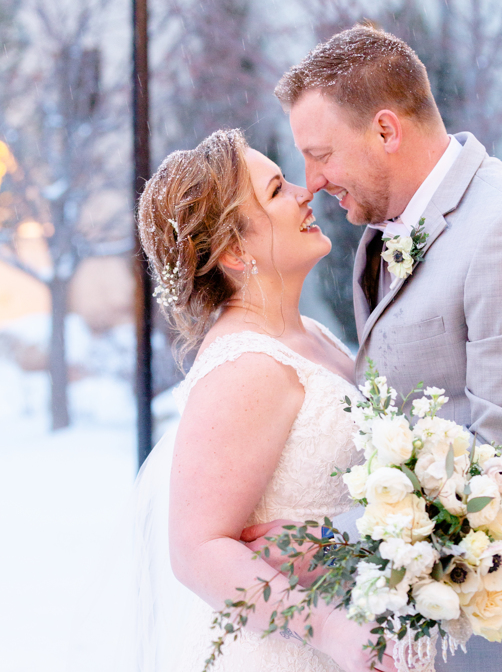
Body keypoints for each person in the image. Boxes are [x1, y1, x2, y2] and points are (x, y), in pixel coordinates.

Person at [243, 25, 502, 672]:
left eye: (320, 154)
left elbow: (501, 462)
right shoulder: (380, 235)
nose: (311, 181)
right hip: (430, 625)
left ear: (386, 130)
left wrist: (328, 542)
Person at [131, 128, 396, 672]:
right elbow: (196, 549)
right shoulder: (246, 366)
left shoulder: (312, 336)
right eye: (277, 190)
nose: (306, 192)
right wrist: (330, 629)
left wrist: (340, 545)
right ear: (233, 250)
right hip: (287, 647)